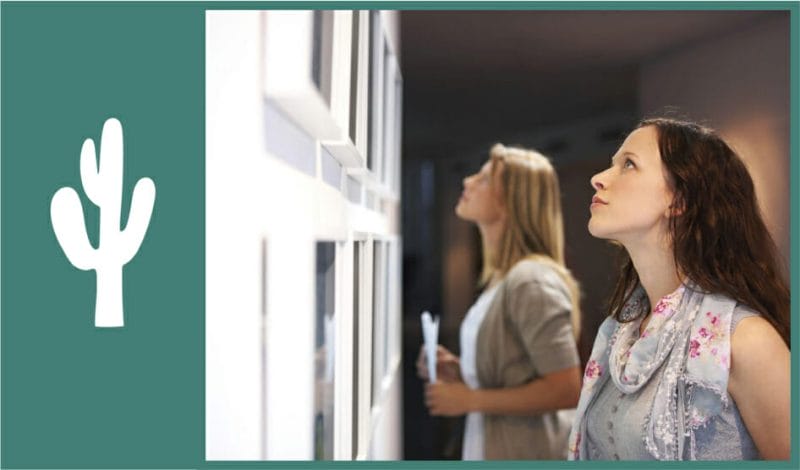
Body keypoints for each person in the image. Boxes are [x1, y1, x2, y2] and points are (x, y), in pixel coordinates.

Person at [568, 117, 790, 460]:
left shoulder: (744, 340)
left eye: (628, 164)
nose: (598, 178)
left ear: (679, 199)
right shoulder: (619, 334)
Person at [416, 143, 582, 460]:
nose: (467, 182)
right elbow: (515, 379)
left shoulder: (530, 280)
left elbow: (566, 389)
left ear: (512, 202)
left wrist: (470, 399)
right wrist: (462, 373)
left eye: (484, 179)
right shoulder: (501, 280)